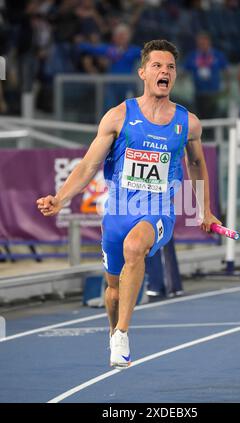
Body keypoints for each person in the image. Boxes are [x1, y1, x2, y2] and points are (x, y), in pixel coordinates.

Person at [36, 39, 221, 369]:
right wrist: (60, 198)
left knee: (136, 248)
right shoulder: (119, 116)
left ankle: (122, 332)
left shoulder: (188, 123)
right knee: (114, 291)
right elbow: (88, 166)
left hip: (158, 210)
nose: (165, 71)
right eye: (157, 66)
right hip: (119, 213)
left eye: (170, 67)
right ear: (143, 73)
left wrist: (203, 210)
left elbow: (196, 165)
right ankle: (112, 328)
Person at [184, 32, 230, 119]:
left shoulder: (217, 55)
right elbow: (184, 71)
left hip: (213, 93)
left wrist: (228, 85)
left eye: (204, 42)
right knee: (200, 118)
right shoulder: (192, 56)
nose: (202, 44)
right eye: (200, 42)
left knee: (213, 116)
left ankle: (212, 132)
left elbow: (226, 70)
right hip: (199, 93)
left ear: (209, 42)